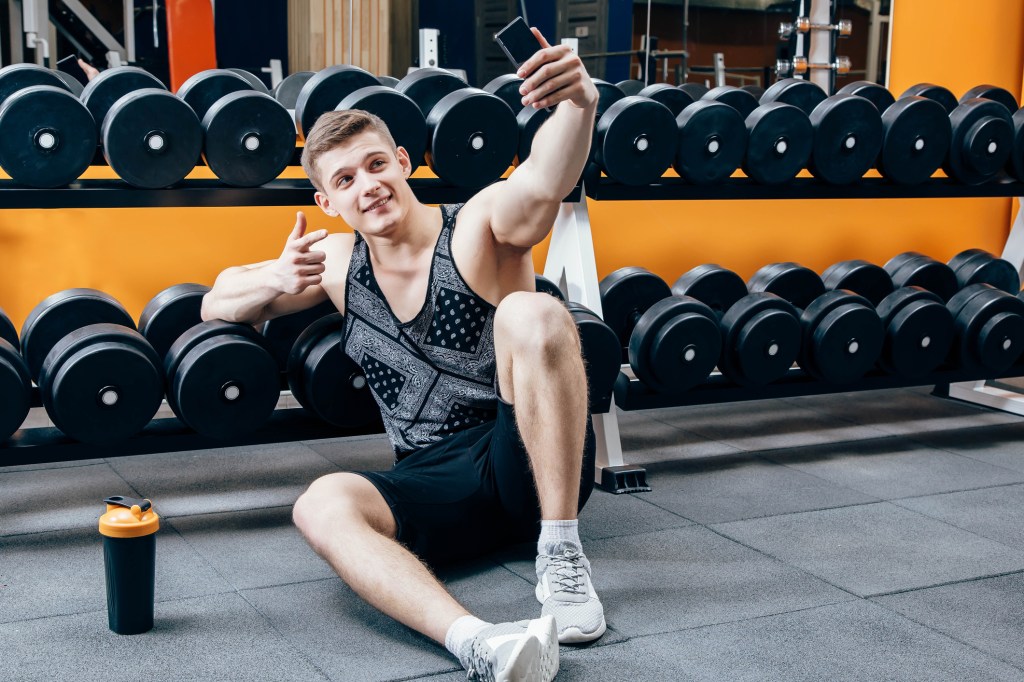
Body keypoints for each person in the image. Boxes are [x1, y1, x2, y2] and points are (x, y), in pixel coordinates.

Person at [201, 27, 601, 682]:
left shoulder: (472, 229)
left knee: (535, 311)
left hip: (524, 453)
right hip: (436, 480)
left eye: (378, 164)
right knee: (320, 503)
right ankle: (477, 644)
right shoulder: (333, 264)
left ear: (405, 162)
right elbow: (216, 300)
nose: (369, 184)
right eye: (346, 178)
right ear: (327, 202)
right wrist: (274, 280)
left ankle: (561, 556)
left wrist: (579, 106)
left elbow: (539, 185)